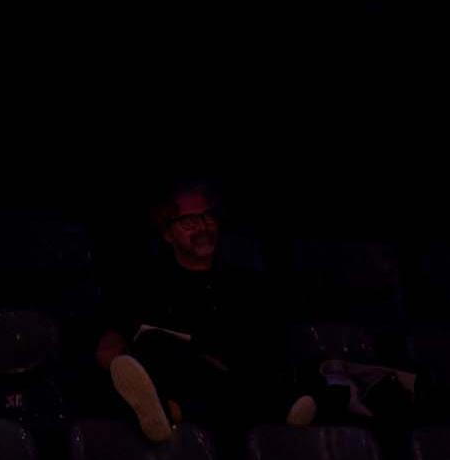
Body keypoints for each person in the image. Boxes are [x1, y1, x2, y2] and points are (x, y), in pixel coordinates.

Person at [97, 182, 311, 445]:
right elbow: (117, 337)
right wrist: (114, 348)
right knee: (155, 346)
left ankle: (173, 411)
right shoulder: (148, 284)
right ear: (168, 234)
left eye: (207, 217)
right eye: (189, 222)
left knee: (264, 368)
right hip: (184, 374)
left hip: (234, 373)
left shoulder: (247, 284)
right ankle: (276, 407)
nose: (203, 227)